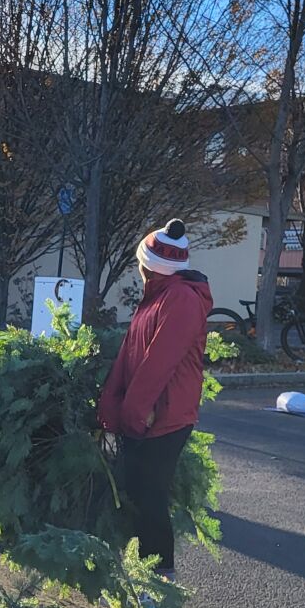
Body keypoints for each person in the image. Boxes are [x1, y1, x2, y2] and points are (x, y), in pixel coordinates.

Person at [96, 218, 212, 575]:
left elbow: (157, 364)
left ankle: (162, 583)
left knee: (151, 499)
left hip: (164, 418)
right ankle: (141, 574)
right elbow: (127, 357)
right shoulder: (155, 298)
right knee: (136, 494)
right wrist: (107, 414)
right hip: (145, 417)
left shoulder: (180, 299)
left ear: (149, 264)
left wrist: (131, 415)